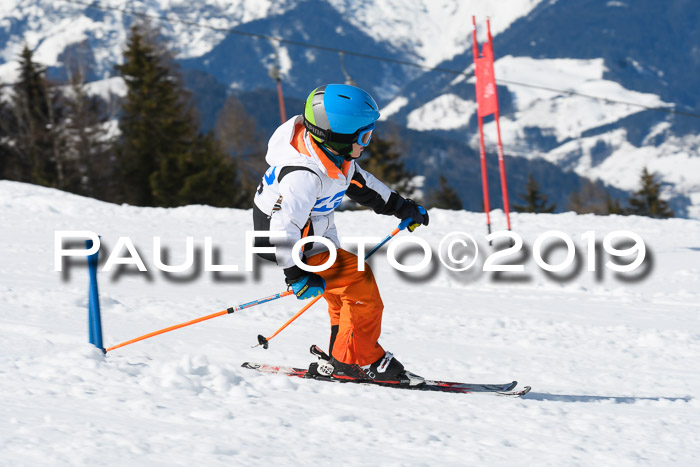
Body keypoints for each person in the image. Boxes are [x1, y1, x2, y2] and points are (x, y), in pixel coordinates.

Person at [252, 84, 429, 384]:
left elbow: (362, 185)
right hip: (286, 241)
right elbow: (283, 226)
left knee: (341, 292)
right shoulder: (303, 175)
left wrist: (402, 207)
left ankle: (342, 354)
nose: (369, 142)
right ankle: (360, 359)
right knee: (360, 283)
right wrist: (295, 275)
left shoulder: (332, 155)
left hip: (306, 233)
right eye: (364, 136)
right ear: (339, 138)